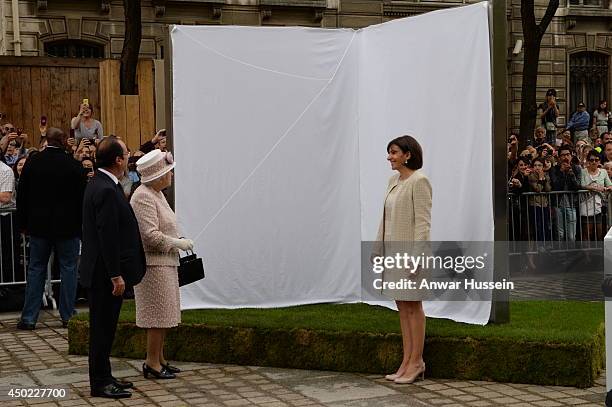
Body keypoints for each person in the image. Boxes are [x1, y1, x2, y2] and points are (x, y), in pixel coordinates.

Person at [79, 136, 145, 399]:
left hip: (103, 270)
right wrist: (115, 275)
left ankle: (104, 374)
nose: (129, 157)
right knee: (102, 328)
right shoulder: (105, 189)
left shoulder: (106, 183)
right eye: (126, 153)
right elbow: (106, 235)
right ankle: (100, 382)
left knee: (106, 326)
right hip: (103, 273)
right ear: (118, 159)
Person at [130, 149, 193, 380]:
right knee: (157, 316)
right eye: (168, 172)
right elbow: (150, 235)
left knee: (166, 314)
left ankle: (160, 358)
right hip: (153, 265)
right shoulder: (143, 196)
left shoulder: (157, 193)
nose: (172, 175)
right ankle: (151, 362)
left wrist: (177, 242)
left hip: (166, 262)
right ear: (157, 176)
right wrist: (177, 242)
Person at [374, 135, 431, 385]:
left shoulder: (420, 182)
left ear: (408, 154)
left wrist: (417, 258)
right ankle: (406, 361)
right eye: (389, 152)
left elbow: (423, 224)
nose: (389, 157)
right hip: (393, 254)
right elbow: (384, 218)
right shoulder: (393, 181)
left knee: (413, 307)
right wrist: (378, 249)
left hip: (410, 256)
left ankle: (417, 362)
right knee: (401, 307)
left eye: (394, 152)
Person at [16, 128, 86, 330]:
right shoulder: (73, 166)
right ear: (63, 140)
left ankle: (29, 317)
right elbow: (82, 199)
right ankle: (67, 315)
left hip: (38, 228)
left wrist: (23, 224)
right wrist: (81, 227)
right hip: (68, 228)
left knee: (36, 269)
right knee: (69, 270)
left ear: (47, 140)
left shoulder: (33, 162)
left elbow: (23, 195)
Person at [549, 146, 581, 242]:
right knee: (560, 234)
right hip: (558, 205)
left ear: (571, 156)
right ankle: (561, 256)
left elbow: (577, 187)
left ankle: (571, 255)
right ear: (559, 157)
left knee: (571, 236)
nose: (565, 157)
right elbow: (556, 186)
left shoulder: (576, 168)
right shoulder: (554, 169)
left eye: (568, 154)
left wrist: (571, 174)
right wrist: (562, 171)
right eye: (563, 155)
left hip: (571, 205)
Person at [579, 149, 612, 241]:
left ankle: (600, 253)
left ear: (599, 161)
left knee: (600, 232)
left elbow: (610, 185)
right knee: (587, 232)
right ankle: (587, 255)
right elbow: (581, 185)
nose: (594, 162)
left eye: (596, 160)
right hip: (585, 204)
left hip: (599, 205)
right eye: (592, 160)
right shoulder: (583, 172)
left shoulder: (603, 172)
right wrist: (594, 188)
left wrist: (607, 188)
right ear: (588, 160)